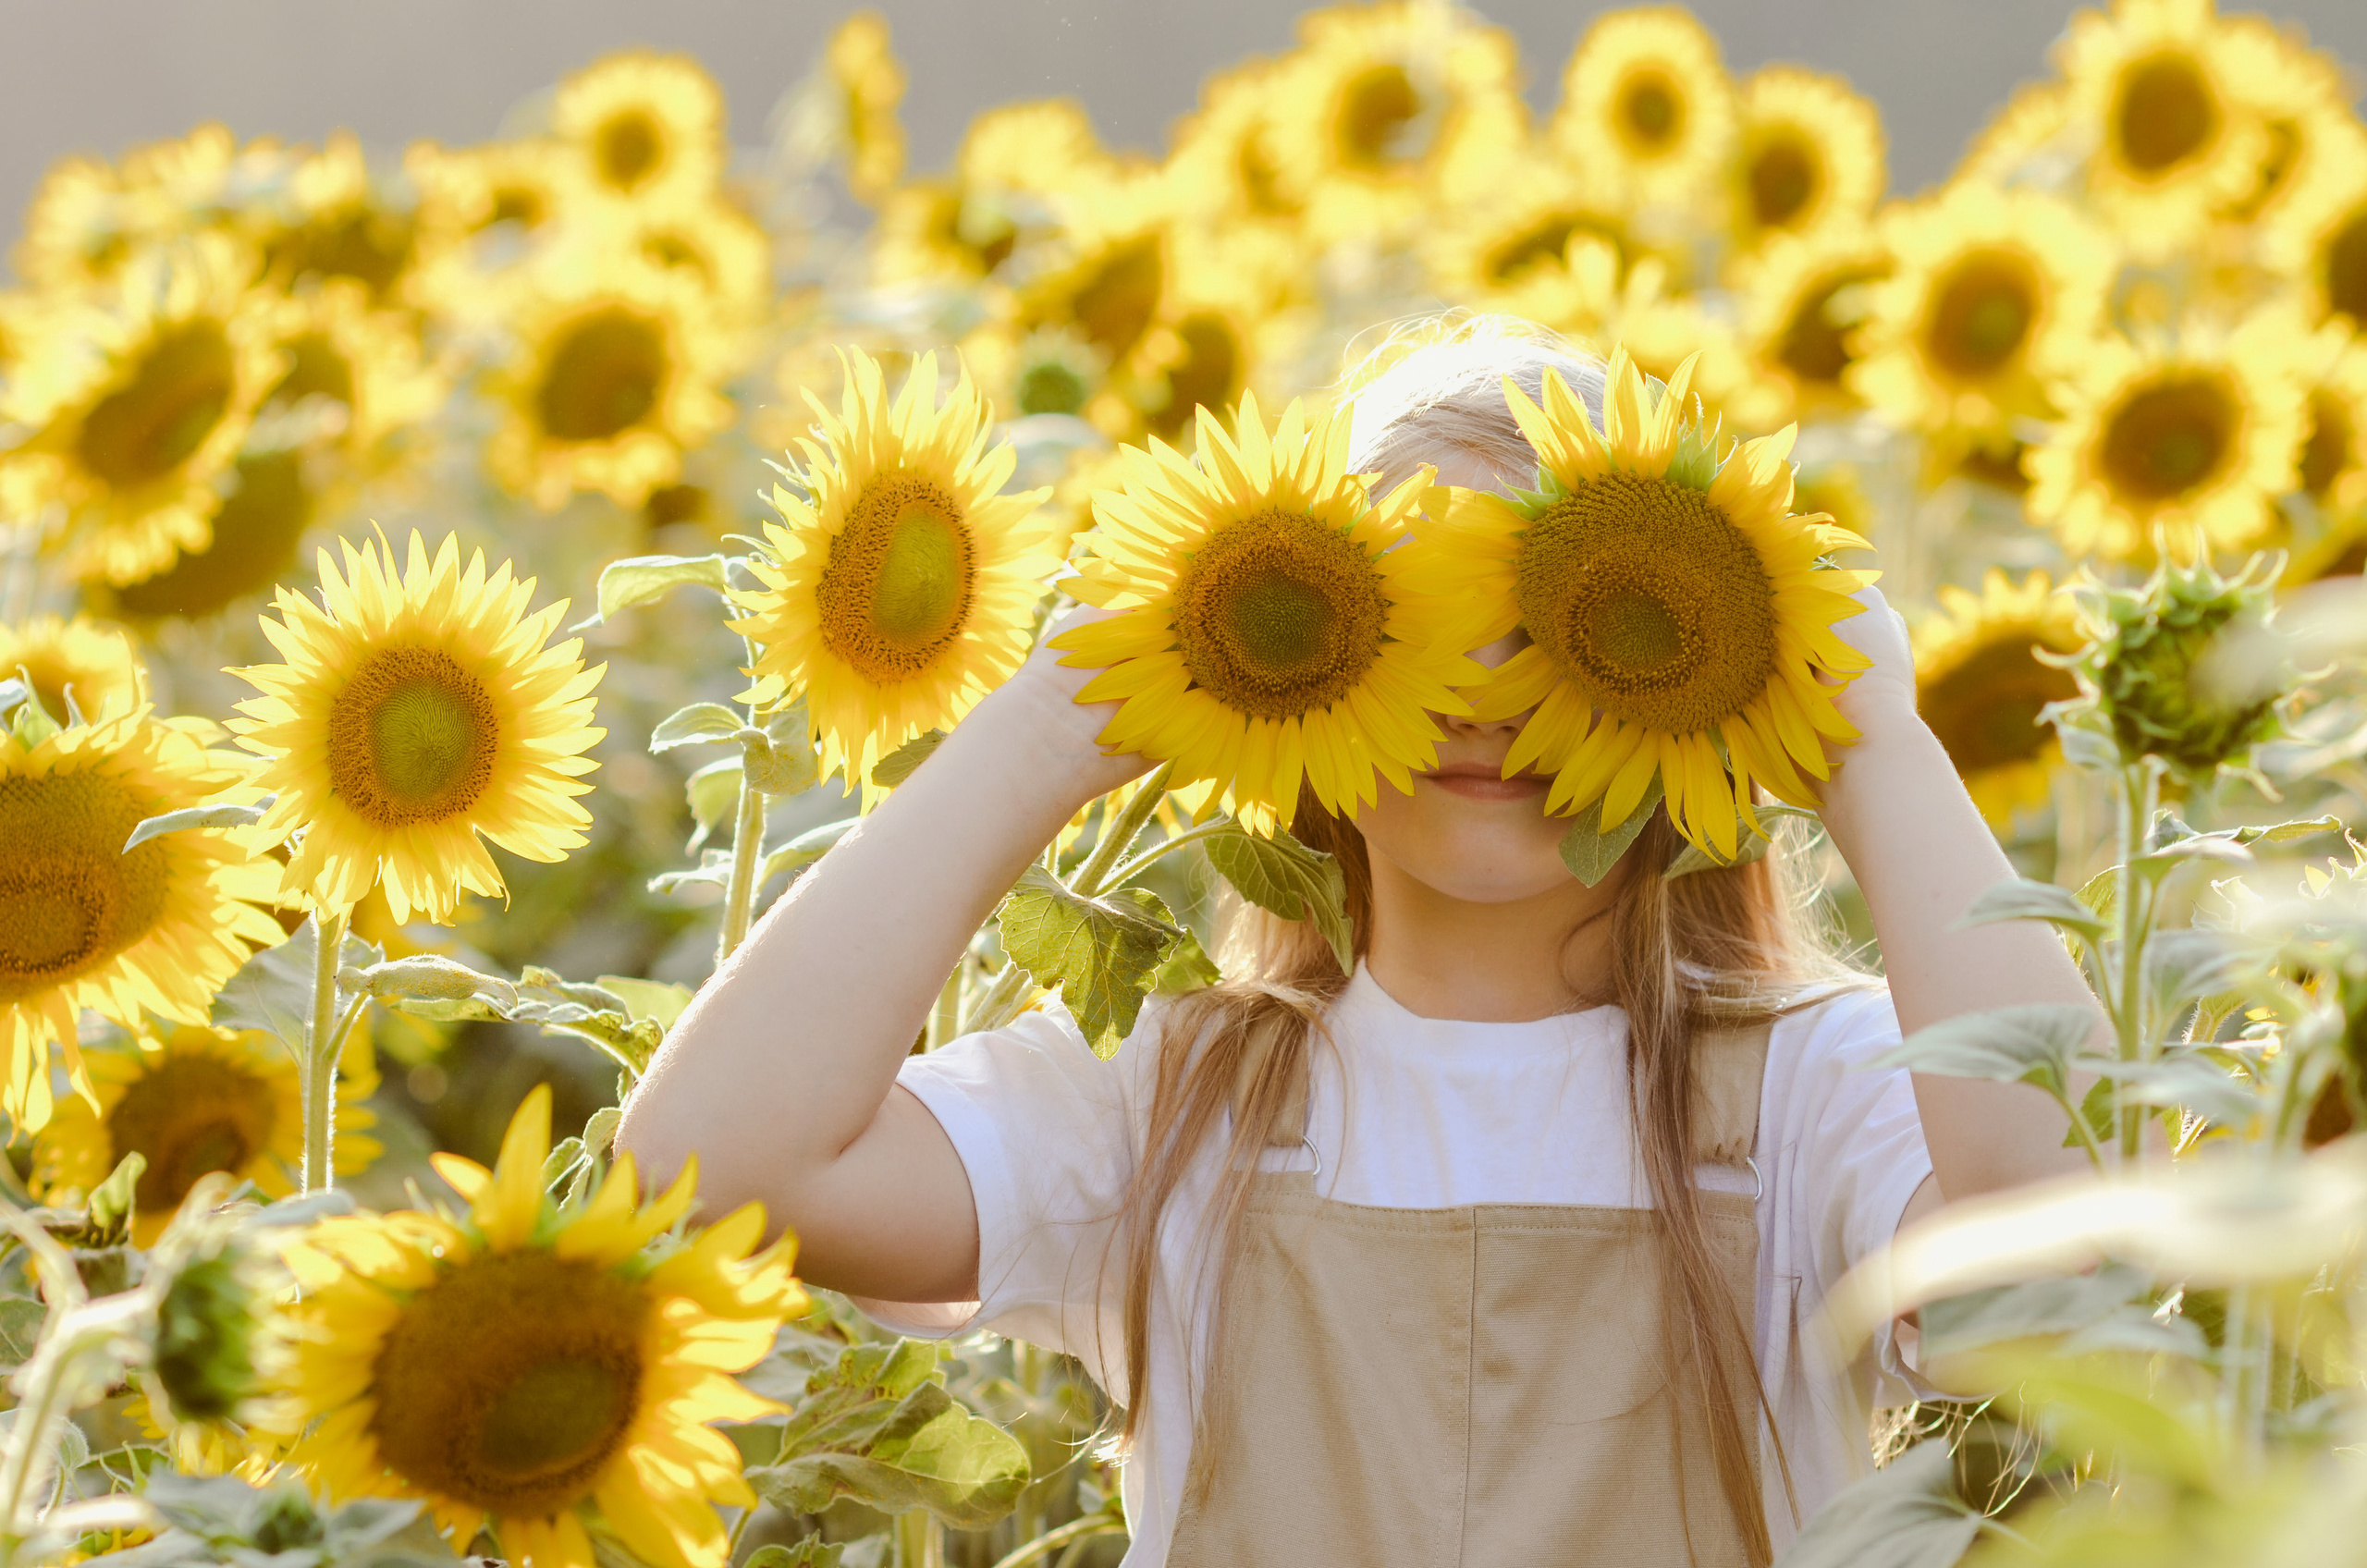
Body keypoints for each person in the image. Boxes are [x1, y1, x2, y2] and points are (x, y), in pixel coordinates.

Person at [618, 319, 2104, 1567]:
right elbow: (706, 1176)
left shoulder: (1806, 1097)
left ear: (1702, 672)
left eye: (1564, 626)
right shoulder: (1174, 1096)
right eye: (1408, 618)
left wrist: (1873, 748)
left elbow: (2067, 1261)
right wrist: (1055, 723)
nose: (1481, 697)